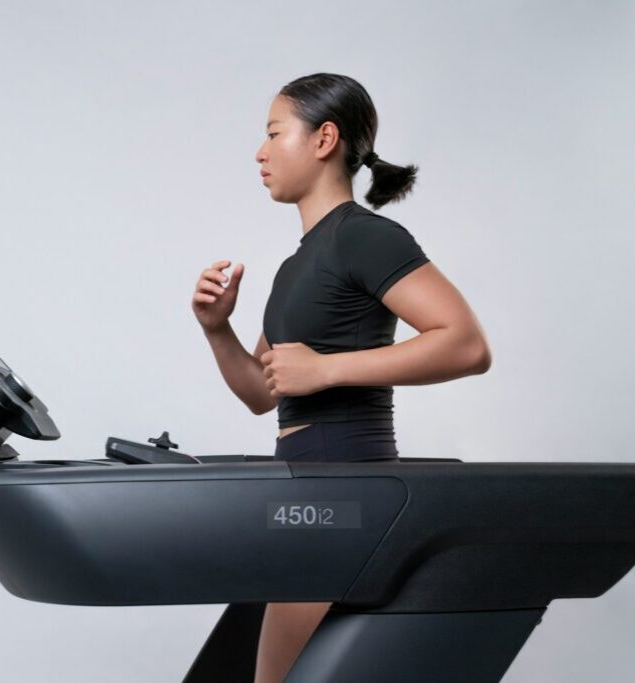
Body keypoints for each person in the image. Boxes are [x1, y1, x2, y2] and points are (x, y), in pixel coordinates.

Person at [191, 72, 492, 683]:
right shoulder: (295, 266)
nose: (260, 151)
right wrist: (217, 329)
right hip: (307, 493)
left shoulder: (366, 237)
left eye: (275, 133)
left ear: (324, 138)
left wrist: (328, 369)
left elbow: (465, 343)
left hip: (345, 495)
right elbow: (260, 392)